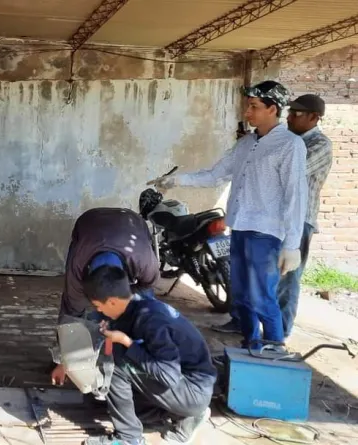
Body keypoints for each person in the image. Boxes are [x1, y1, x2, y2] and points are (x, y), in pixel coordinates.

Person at [149, 80, 308, 350]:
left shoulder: (290, 145)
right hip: (241, 228)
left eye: (254, 106)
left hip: (266, 232)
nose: (247, 112)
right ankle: (251, 343)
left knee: (261, 296)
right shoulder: (247, 143)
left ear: (273, 109)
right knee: (242, 294)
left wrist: (292, 244)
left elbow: (296, 195)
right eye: (248, 106)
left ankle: (274, 347)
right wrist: (176, 179)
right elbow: (215, 175)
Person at [211, 94, 332, 339]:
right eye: (290, 112)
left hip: (299, 220)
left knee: (285, 278)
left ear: (314, 117)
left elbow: (290, 176)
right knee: (250, 280)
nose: (290, 118)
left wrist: (262, 150)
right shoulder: (279, 140)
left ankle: (279, 334)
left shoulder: (317, 144)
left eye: (297, 114)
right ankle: (243, 324)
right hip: (268, 221)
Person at [52, 266, 216, 445]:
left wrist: (127, 342)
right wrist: (65, 364)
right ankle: (184, 416)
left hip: (192, 391)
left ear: (112, 302)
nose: (99, 311)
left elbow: (168, 375)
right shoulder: (132, 305)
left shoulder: (151, 321)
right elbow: (97, 329)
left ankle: (129, 438)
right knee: (112, 403)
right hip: (185, 386)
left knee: (114, 363)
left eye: (99, 306)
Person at [57, 207, 160, 324]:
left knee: (144, 303)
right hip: (89, 219)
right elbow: (73, 309)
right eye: (97, 306)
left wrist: (127, 297)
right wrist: (72, 329)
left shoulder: (144, 262)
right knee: (72, 310)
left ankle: (144, 324)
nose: (100, 310)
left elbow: (148, 285)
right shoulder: (77, 267)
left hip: (132, 220)